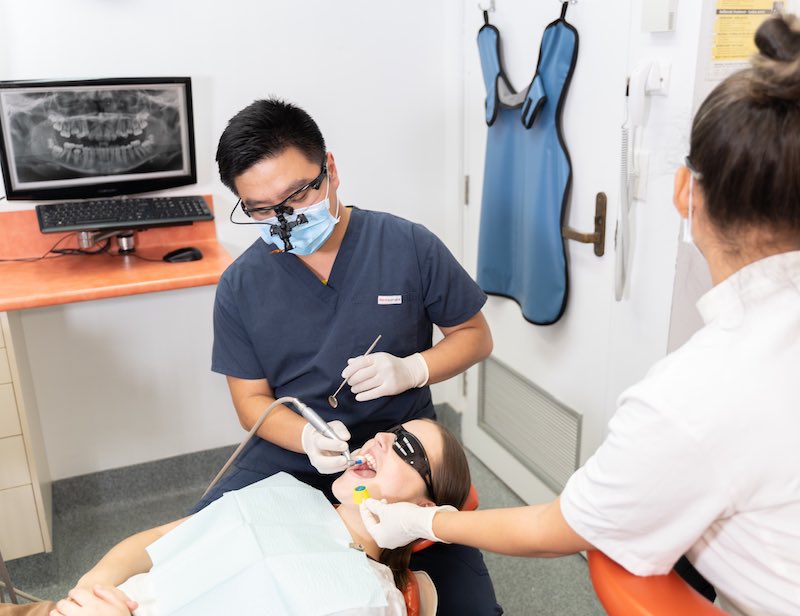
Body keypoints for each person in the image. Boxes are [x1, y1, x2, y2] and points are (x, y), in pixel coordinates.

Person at [359, 14, 800, 616]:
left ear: (684, 195)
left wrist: (425, 519)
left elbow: (565, 529)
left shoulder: (695, 396)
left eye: (407, 450)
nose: (381, 444)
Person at [194, 98, 501, 613]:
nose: (285, 218)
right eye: (262, 210)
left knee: (467, 605)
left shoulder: (407, 246)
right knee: (201, 559)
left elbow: (475, 335)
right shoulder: (241, 285)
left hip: (401, 453)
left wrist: (414, 369)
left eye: (297, 194)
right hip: (291, 456)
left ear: (330, 170)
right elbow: (250, 401)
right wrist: (307, 438)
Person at [0, 420, 470, 616]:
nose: (381, 440)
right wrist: (89, 588)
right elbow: (154, 540)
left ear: (423, 510)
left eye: (406, 448)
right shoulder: (285, 492)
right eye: (388, 433)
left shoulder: (368, 599)